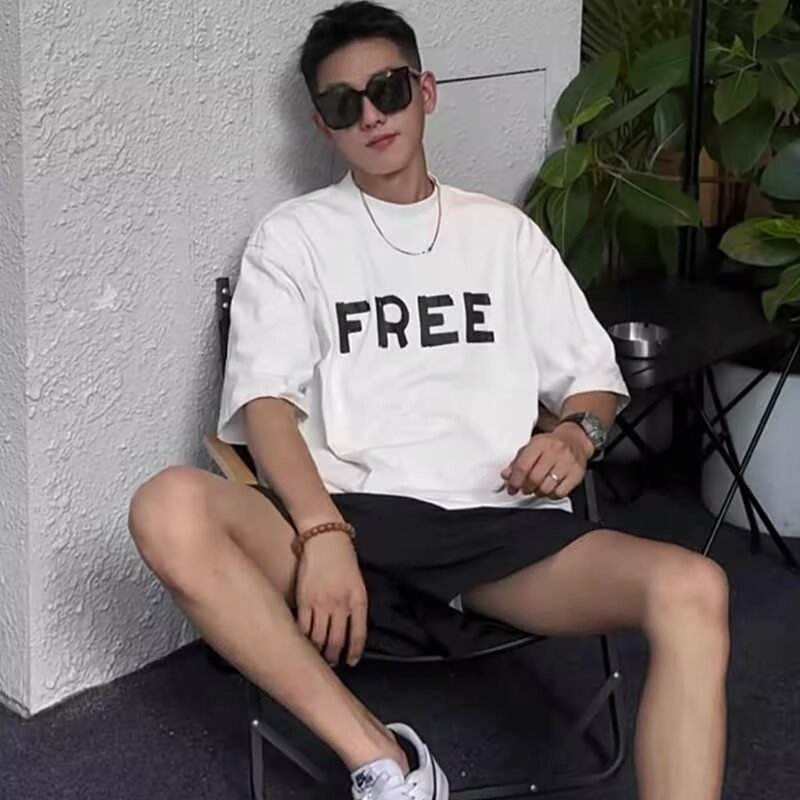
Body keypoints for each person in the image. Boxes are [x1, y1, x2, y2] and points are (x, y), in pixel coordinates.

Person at [127, 2, 731, 798]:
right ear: (322, 125)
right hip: (352, 522)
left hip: (498, 532)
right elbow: (266, 405)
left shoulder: (503, 234)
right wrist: (322, 531)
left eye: (388, 89)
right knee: (167, 505)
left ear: (426, 91)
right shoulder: (295, 237)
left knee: (694, 586)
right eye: (344, 104)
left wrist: (575, 437)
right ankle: (386, 760)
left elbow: (592, 383)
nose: (372, 116)